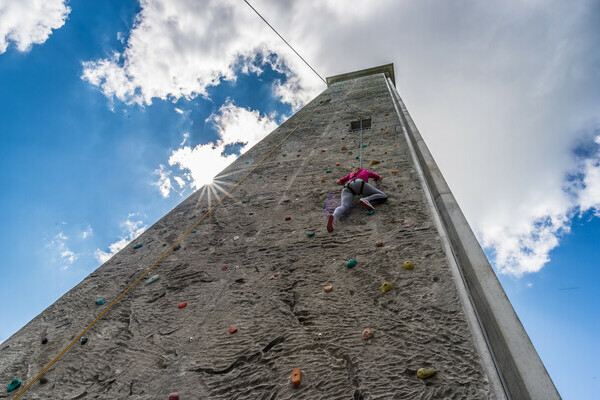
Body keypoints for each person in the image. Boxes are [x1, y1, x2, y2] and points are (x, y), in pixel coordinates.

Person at [327, 167, 387, 232]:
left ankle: (334, 216)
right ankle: (366, 199)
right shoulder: (366, 171)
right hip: (360, 183)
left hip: (347, 186)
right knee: (383, 196)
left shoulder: (351, 174)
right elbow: (379, 177)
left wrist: (346, 183)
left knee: (344, 206)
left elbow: (338, 182)